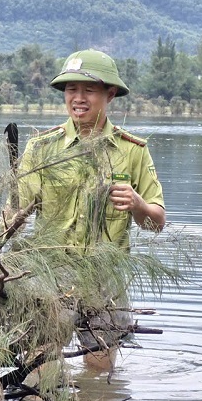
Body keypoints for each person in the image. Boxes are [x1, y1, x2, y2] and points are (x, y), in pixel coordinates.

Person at [15, 48, 166, 369]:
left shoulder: (133, 150)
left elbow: (156, 223)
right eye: (71, 89)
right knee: (38, 370)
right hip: (50, 278)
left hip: (106, 282)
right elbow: (14, 214)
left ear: (110, 94)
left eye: (89, 90)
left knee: (99, 379)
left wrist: (138, 204)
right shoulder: (41, 148)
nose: (78, 98)